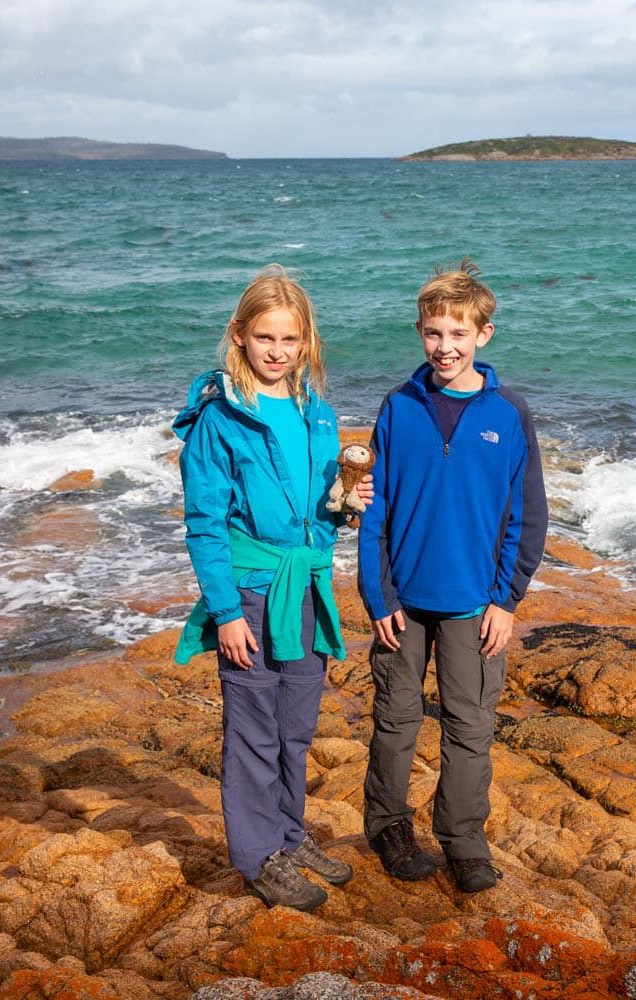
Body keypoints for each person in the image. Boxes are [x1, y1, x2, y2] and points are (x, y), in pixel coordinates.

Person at [173, 264, 366, 911]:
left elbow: (322, 512)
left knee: (295, 727)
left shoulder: (317, 414)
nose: (277, 352)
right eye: (264, 339)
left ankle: (289, 832)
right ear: (240, 336)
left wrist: (346, 503)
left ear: (306, 341)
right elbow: (204, 527)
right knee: (253, 729)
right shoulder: (219, 421)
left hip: (307, 590)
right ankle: (258, 858)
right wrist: (225, 612)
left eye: (289, 340)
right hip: (251, 593)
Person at [357, 258, 548, 893]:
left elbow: (527, 516)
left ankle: (463, 840)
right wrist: (377, 595)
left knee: (470, 727)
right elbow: (376, 508)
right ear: (420, 331)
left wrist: (507, 599)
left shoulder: (509, 413)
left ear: (483, 335)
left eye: (459, 335)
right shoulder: (399, 406)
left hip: (475, 606)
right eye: (435, 334)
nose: (446, 347)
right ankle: (387, 825)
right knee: (396, 719)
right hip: (403, 605)